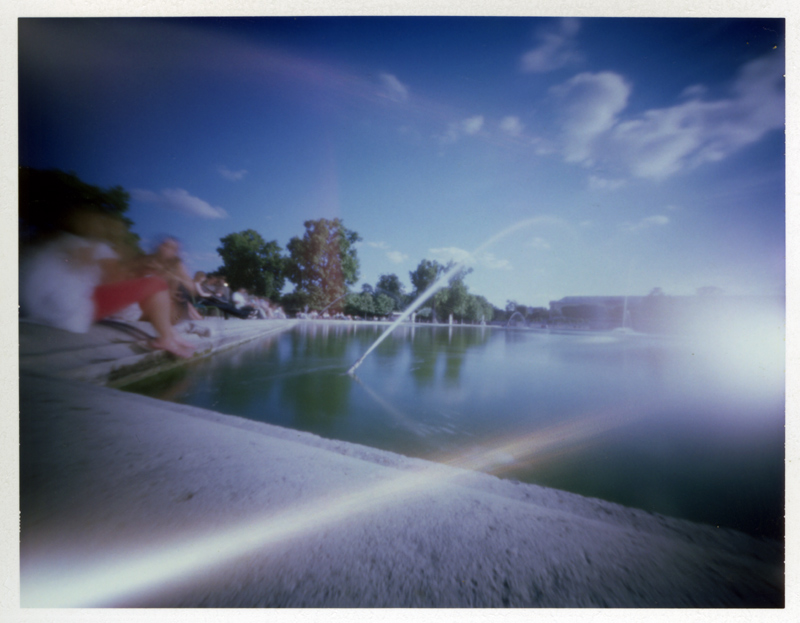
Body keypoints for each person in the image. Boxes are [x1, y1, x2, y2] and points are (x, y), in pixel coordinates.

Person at [19, 211, 195, 358]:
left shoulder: (177, 265)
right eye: (164, 244)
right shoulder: (101, 249)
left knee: (158, 287)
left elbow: (190, 287)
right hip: (70, 308)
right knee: (155, 285)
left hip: (44, 304)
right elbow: (116, 279)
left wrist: (171, 277)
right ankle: (167, 336)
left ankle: (170, 334)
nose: (164, 247)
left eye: (170, 247)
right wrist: (139, 273)